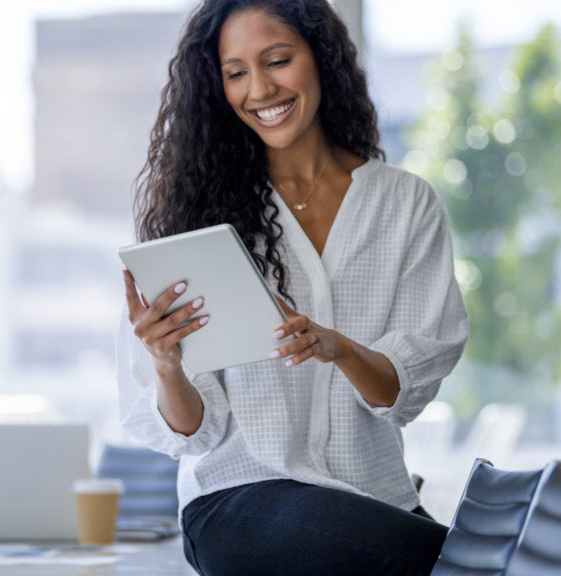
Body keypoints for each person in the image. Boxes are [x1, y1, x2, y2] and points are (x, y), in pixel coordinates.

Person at [116, 0, 469, 574]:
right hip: (238, 501)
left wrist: (342, 348)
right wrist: (164, 364)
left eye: (277, 60)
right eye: (235, 73)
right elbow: (193, 434)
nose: (259, 89)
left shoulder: (404, 204)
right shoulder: (196, 220)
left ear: (321, 59)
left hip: (376, 501)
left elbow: (399, 396)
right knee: (468, 559)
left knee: (455, 555)